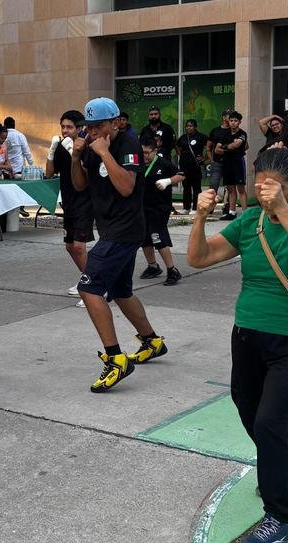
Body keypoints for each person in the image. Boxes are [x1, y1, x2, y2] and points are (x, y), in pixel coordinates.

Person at [187, 149, 288, 543]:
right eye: (260, 186)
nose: (265, 195)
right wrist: (199, 216)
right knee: (248, 409)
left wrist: (283, 209)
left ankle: (282, 521)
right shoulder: (249, 220)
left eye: (277, 188)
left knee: (271, 423)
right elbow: (198, 258)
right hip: (248, 334)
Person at [70, 97, 166, 393]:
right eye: (89, 127)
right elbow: (80, 185)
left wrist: (104, 153)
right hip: (109, 227)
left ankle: (116, 359)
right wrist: (76, 157)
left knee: (89, 288)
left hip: (125, 230)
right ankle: (152, 341)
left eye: (99, 126)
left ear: (115, 122)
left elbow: (126, 187)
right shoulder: (89, 144)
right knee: (122, 291)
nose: (93, 132)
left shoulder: (128, 144)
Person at [45, 110, 94, 300]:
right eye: (62, 127)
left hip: (85, 200)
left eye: (69, 127)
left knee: (79, 246)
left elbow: (87, 175)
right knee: (70, 247)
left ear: (80, 128)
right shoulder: (60, 145)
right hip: (69, 202)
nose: (65, 131)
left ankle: (95, 286)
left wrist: (74, 152)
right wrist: (51, 150)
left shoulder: (87, 146)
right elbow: (49, 173)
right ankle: (87, 278)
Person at [139, 137, 184, 285]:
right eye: (142, 152)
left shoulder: (163, 163)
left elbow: (181, 175)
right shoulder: (138, 163)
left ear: (155, 151)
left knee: (157, 236)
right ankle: (153, 266)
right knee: (144, 237)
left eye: (147, 153)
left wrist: (168, 181)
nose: (145, 156)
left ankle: (172, 270)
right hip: (143, 207)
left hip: (159, 207)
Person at [220, 111, 249, 219]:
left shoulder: (242, 133)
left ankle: (245, 213)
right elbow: (218, 148)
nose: (233, 123)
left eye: (235, 121)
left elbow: (237, 145)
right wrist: (229, 146)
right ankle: (232, 212)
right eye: (231, 120)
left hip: (238, 162)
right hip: (227, 162)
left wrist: (226, 146)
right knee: (230, 188)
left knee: (240, 188)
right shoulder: (225, 134)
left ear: (239, 122)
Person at [176, 119, 207, 213]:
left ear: (195, 127)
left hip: (196, 166)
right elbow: (177, 146)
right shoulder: (183, 137)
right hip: (184, 166)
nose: (188, 128)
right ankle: (186, 208)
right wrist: (181, 155)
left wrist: (204, 158)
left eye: (191, 126)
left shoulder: (201, 136)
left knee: (196, 187)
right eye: (187, 126)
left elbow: (210, 147)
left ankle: (195, 208)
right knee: (186, 187)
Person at [205, 112, 231, 208]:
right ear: (224, 117)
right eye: (229, 116)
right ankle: (210, 208)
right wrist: (212, 160)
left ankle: (226, 208)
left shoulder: (234, 131)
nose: (231, 118)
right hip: (217, 163)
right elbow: (208, 147)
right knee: (213, 185)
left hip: (230, 163)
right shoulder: (215, 131)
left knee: (229, 187)